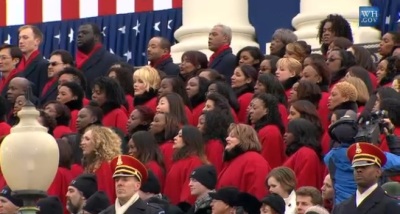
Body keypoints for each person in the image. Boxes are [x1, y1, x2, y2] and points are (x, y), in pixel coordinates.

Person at [332, 143, 400, 213]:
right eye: (356, 167)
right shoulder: (340, 208)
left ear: (378, 172)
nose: (359, 170)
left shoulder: (390, 206)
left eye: (365, 166)